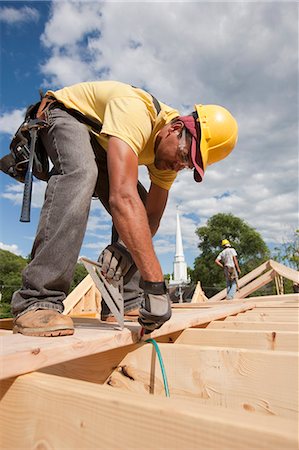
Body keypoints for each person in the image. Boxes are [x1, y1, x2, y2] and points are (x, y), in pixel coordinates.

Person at [11, 80, 238, 336]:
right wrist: (155, 284)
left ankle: (126, 300)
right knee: (81, 172)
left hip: (99, 140)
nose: (179, 166)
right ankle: (37, 300)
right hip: (66, 114)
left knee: (138, 209)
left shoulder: (167, 157)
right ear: (174, 129)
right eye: (184, 157)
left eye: (188, 165)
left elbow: (151, 216)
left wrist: (124, 250)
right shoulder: (136, 112)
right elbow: (122, 197)